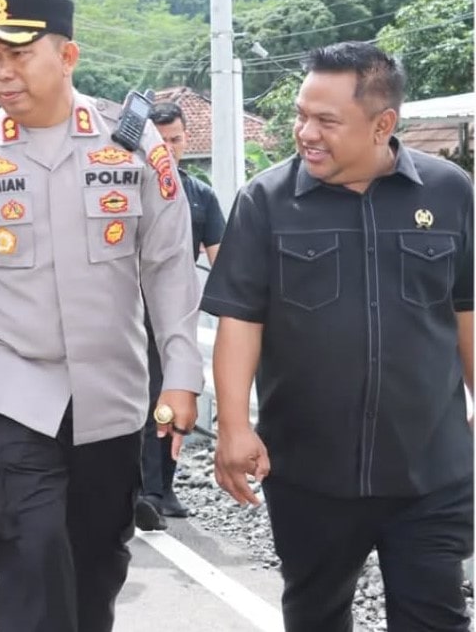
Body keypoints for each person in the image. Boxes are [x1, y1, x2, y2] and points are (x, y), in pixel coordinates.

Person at [0, 0, 204, 632]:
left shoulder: (133, 146)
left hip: (112, 391)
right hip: (14, 389)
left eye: (18, 54)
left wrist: (184, 374)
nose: (1, 71)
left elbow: (167, 265)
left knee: (96, 564)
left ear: (68, 54)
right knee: (29, 551)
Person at [203, 42, 474, 632]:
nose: (306, 132)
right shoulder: (266, 201)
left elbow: (467, 312)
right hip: (309, 472)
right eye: (302, 115)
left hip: (429, 470)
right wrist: (233, 425)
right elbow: (241, 320)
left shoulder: (450, 192)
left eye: (326, 120)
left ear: (383, 124)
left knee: (436, 618)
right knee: (316, 615)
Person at [134, 101, 226, 531]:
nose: (168, 149)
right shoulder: (124, 186)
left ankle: (160, 488)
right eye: (160, 140)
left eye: (175, 140)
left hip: (173, 313)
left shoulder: (200, 196)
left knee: (171, 396)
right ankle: (140, 487)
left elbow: (222, 262)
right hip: (125, 311)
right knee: (136, 399)